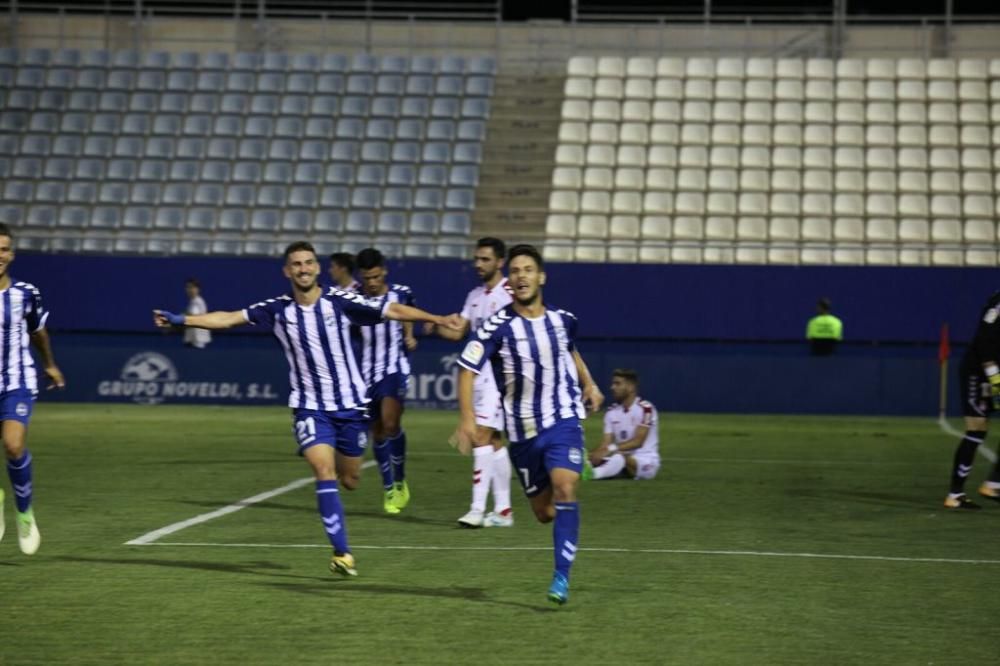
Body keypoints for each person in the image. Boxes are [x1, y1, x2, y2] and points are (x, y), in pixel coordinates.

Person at [153, 241, 461, 576]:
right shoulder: (276, 309)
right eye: (296, 264)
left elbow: (394, 311)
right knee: (322, 470)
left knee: (351, 479)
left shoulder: (340, 302)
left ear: (317, 267)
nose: (303, 268)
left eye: (309, 263)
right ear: (287, 271)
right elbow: (228, 318)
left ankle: (360, 501)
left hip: (351, 406)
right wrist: (182, 319)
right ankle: (342, 553)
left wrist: (438, 317)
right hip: (309, 407)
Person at [456, 244, 603, 605]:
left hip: (563, 419)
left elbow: (569, 350)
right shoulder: (496, 326)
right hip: (522, 434)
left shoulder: (563, 320)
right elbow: (466, 368)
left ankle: (560, 579)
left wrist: (588, 383)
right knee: (544, 512)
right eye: (516, 271)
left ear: (541, 277)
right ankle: (565, 469)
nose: (521, 276)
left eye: (528, 270)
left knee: (566, 488)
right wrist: (467, 420)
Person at [426, 237, 514, 529]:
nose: (478, 264)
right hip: (477, 375)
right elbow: (460, 333)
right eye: (477, 259)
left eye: (485, 259)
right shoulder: (475, 295)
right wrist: (436, 326)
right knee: (494, 441)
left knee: (479, 436)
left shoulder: (510, 294)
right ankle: (503, 511)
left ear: (500, 262)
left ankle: (477, 509)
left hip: (498, 375)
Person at [0, 222, 66, 555]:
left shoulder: (26, 293)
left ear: (12, 254)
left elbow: (38, 332)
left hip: (17, 380)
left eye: (3, 249)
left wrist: (50, 364)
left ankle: (24, 512)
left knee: (13, 445)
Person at [354, 248, 418, 515]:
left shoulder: (401, 293)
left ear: (385, 271)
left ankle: (401, 479)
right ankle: (389, 485)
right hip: (366, 374)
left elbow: (408, 312)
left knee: (391, 423)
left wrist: (409, 334)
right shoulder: (353, 298)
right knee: (377, 431)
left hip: (394, 368)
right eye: (367, 278)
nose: (371, 282)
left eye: (376, 276)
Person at [944, 291, 1000, 510]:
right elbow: (984, 341)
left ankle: (994, 483)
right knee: (976, 429)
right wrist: (996, 379)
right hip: (980, 372)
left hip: (995, 372)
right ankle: (954, 494)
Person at [582, 369, 660, 481]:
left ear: (631, 387)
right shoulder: (611, 412)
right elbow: (606, 443)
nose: (612, 387)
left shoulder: (646, 409)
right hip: (618, 458)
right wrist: (594, 455)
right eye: (613, 383)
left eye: (618, 384)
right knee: (591, 459)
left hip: (645, 462)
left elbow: (638, 442)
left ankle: (593, 474)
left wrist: (610, 449)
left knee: (619, 457)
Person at [183, 278, 211, 349]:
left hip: (198, 339)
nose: (189, 290)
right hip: (193, 338)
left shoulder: (198, 301)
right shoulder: (193, 301)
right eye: (188, 287)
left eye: (192, 287)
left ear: (198, 289)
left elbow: (194, 316)